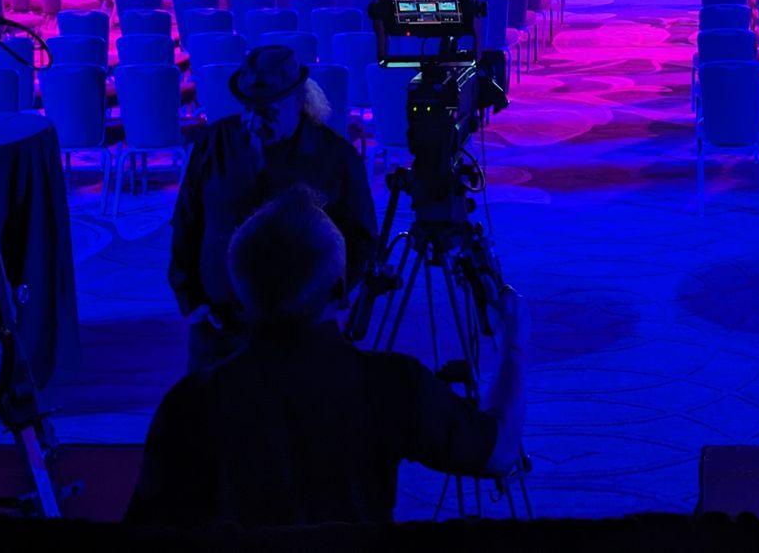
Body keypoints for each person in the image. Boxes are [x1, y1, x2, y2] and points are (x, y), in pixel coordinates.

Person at [127, 187, 528, 526]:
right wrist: (513, 342)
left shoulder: (188, 405)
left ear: (240, 294)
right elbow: (500, 450)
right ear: (340, 291)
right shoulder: (392, 385)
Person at [169, 44, 377, 371]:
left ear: (298, 101)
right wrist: (190, 299)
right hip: (219, 326)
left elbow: (361, 238)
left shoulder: (335, 157)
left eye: (267, 111)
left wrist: (327, 303)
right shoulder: (215, 142)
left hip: (300, 332)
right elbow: (186, 221)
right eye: (248, 108)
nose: (252, 120)